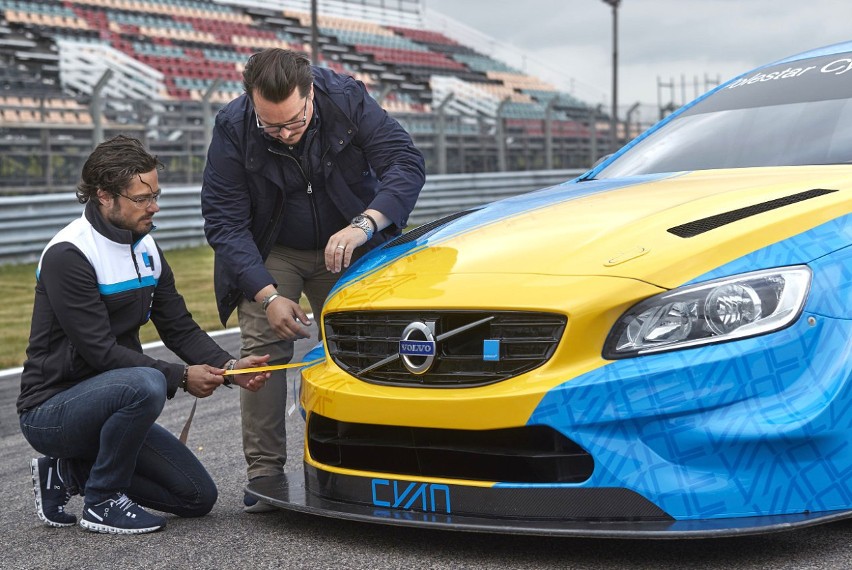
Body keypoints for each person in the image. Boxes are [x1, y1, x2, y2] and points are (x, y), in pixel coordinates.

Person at [201, 48, 426, 512]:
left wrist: (366, 223)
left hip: (347, 237)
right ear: (251, 102)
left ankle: (372, 460)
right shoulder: (232, 125)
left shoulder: (346, 99)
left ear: (310, 96)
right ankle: (264, 473)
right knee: (263, 348)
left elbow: (405, 163)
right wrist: (266, 295)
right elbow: (224, 222)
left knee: (365, 347)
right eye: (271, 126)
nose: (283, 135)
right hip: (273, 246)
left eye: (294, 123)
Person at [18, 135, 271, 535]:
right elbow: (100, 351)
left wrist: (230, 367)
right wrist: (181, 377)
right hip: (52, 410)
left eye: (156, 194)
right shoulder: (69, 254)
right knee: (148, 382)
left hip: (118, 395)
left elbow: (179, 327)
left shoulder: (147, 247)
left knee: (196, 497)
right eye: (142, 198)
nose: (154, 206)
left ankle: (67, 474)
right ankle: (102, 501)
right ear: (104, 195)